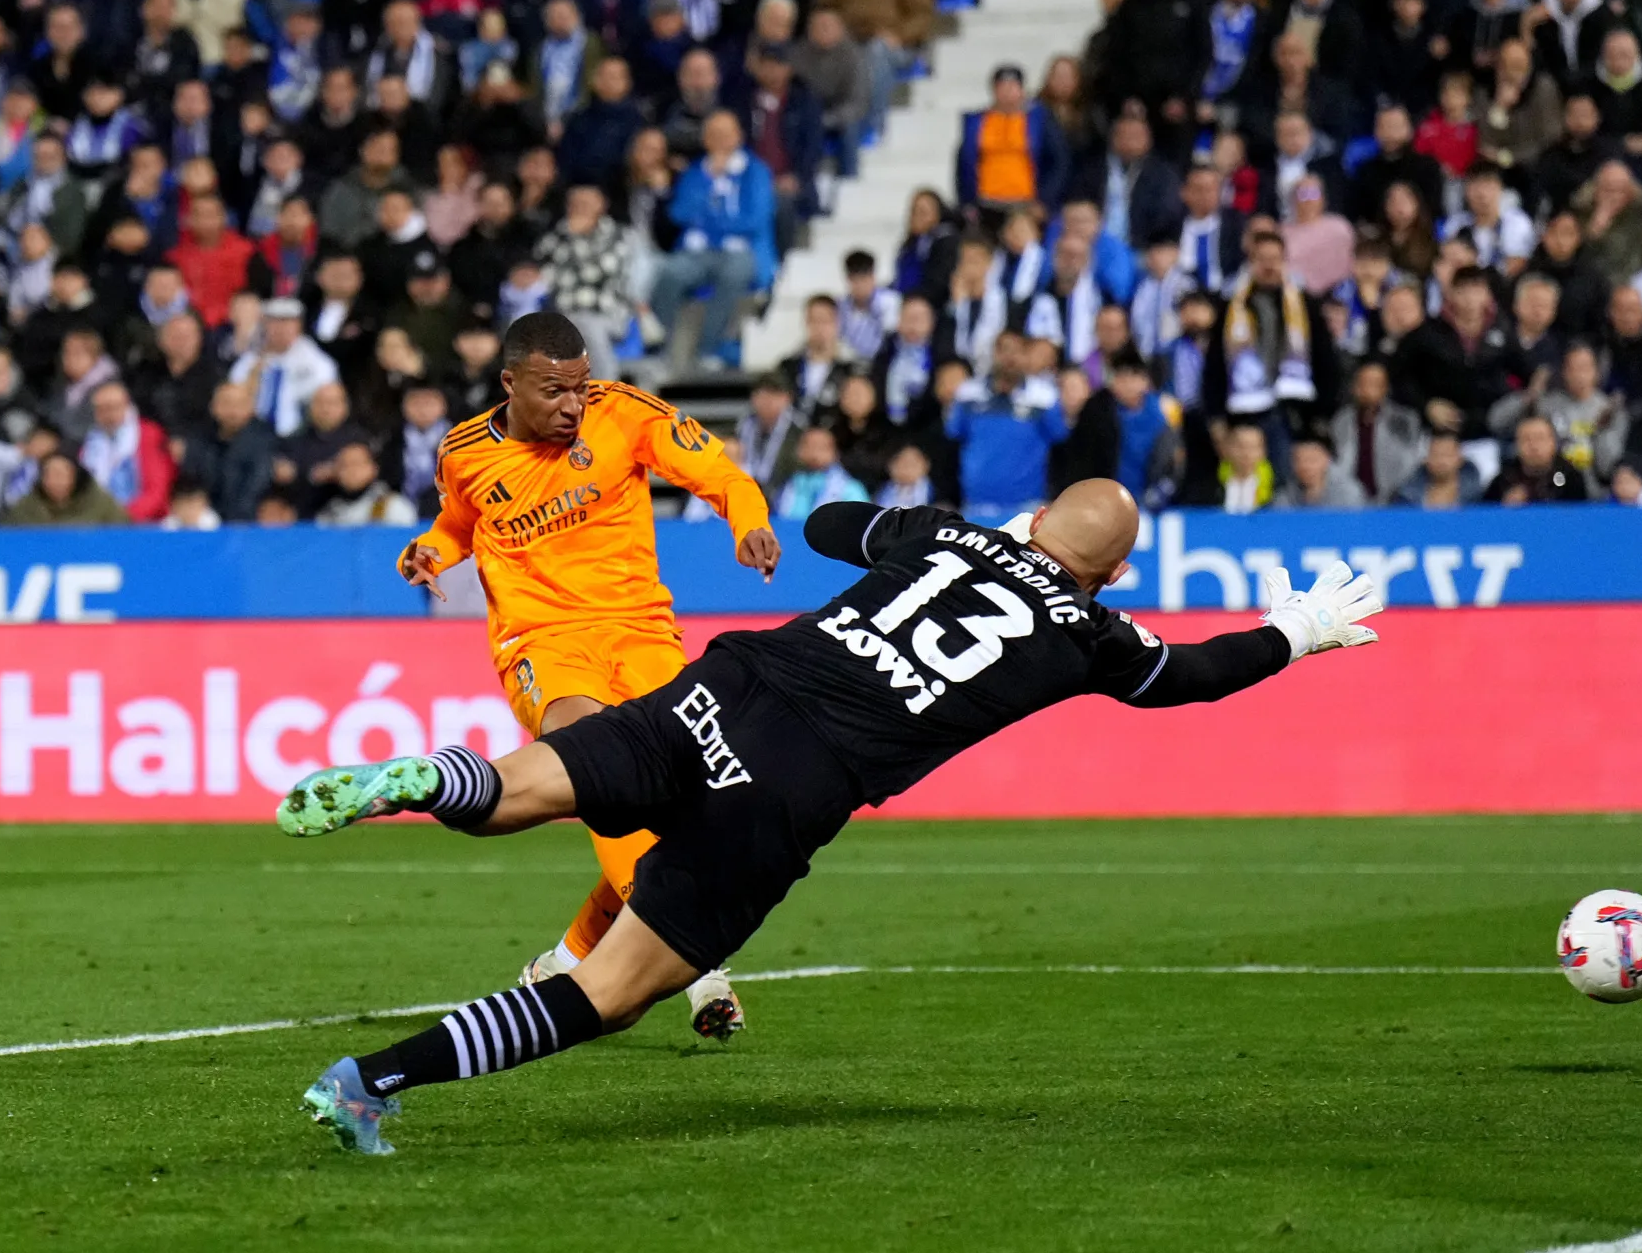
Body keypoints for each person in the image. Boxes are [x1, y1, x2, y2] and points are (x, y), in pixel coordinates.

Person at [279, 479, 1382, 1153]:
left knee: (518, 791)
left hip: (729, 686)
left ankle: (425, 779)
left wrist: (946, 530)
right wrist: (1296, 633)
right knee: (608, 995)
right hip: (789, 781)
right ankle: (368, 1083)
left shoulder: (944, 534)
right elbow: (1193, 676)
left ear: (1038, 515)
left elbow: (823, 522)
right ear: (1119, 569)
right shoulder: (1093, 634)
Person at [396, 312, 778, 1040]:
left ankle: (565, 960)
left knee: (682, 805)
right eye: (554, 391)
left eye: (580, 387)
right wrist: (429, 551)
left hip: (642, 634)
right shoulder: (464, 452)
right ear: (510, 384)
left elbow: (717, 471)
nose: (574, 405)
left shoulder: (623, 413)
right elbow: (458, 522)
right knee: (598, 761)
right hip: (543, 641)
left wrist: (748, 520)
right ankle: (699, 960)